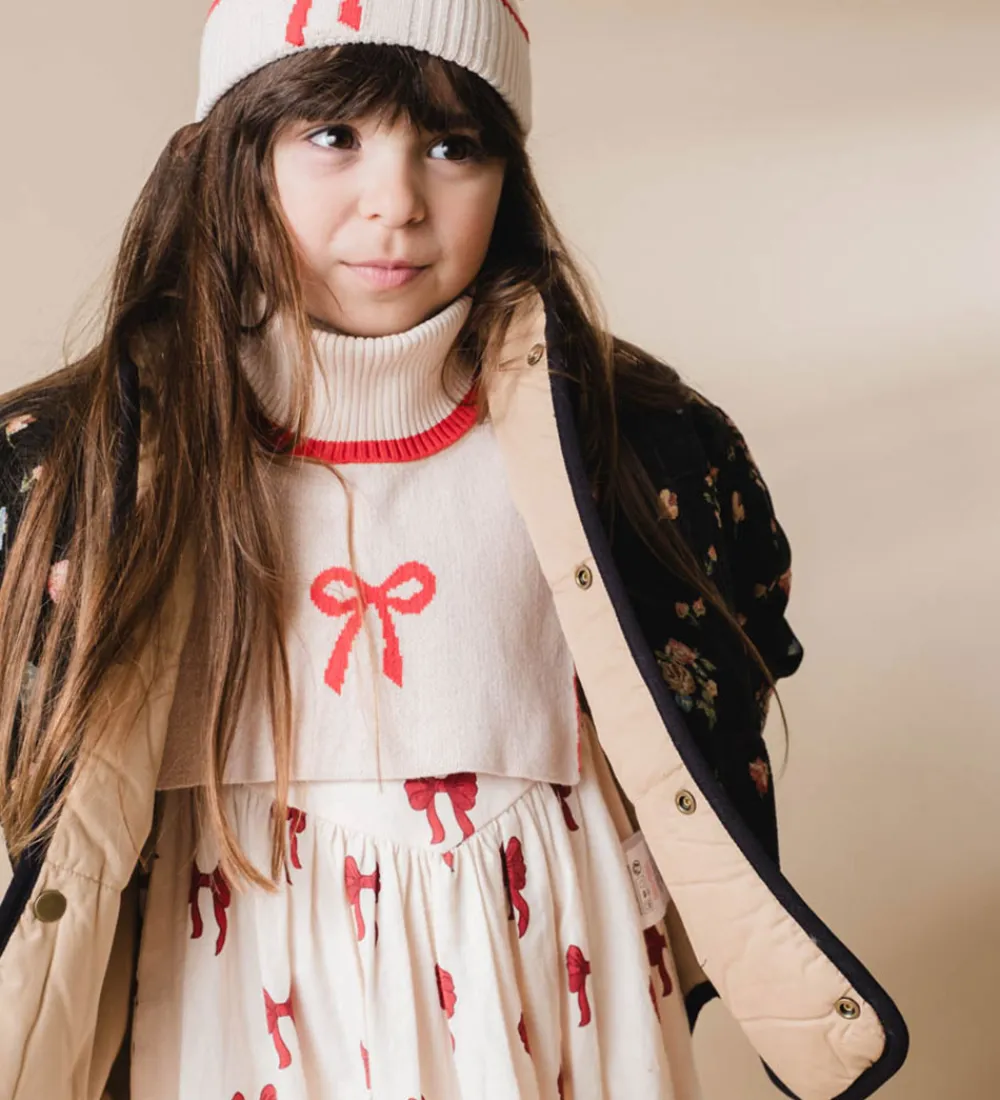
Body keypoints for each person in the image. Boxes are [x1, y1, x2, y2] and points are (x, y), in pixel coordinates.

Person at [0, 2, 908, 1099]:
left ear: (507, 176)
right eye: (332, 135)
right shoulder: (84, 464)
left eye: (451, 145)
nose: (396, 202)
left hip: (555, 973)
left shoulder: (643, 447)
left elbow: (723, 676)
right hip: (226, 983)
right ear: (229, 156)